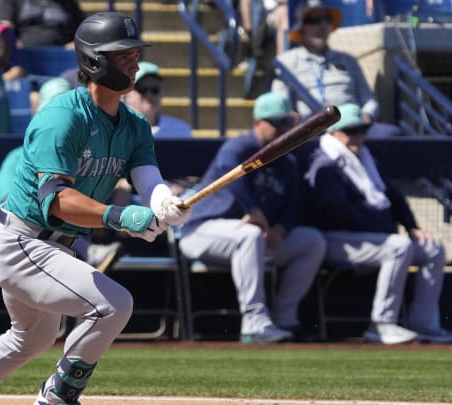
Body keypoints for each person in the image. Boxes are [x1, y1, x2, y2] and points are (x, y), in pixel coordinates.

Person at [0, 11, 191, 405]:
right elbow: (58, 200)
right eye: (123, 54)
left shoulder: (132, 124)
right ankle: (58, 398)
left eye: (134, 52)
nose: (133, 60)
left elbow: (147, 177)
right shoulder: (63, 116)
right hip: (20, 241)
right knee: (114, 305)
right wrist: (120, 217)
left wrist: (164, 203)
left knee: (29, 339)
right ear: (94, 60)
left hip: (54, 247)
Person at [178, 92, 326, 344]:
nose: (284, 129)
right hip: (201, 230)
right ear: (258, 122)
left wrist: (281, 228)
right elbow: (229, 172)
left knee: (312, 241)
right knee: (250, 234)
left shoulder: (287, 162)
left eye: (287, 123)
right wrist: (253, 210)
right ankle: (254, 320)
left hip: (255, 238)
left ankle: (286, 317)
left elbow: (293, 205)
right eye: (276, 123)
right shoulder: (240, 146)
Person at [302, 103, 452, 344]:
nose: (357, 137)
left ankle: (423, 323)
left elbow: (394, 196)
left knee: (433, 249)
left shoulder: (366, 159)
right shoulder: (325, 164)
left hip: (370, 239)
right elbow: (340, 211)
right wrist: (384, 229)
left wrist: (413, 227)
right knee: (398, 246)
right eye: (350, 131)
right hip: (334, 239)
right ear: (334, 134)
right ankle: (381, 324)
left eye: (361, 131)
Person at [270, 0, 403, 138]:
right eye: (313, 20)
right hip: (311, 130)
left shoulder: (348, 60)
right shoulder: (286, 62)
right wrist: (300, 122)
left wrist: (367, 115)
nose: (321, 25)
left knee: (391, 133)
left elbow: (368, 99)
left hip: (351, 126)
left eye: (325, 20)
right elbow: (282, 106)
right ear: (301, 28)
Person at [121, 61, 193, 139]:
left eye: (155, 89)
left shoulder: (180, 130)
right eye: (142, 89)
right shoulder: (115, 131)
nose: (149, 95)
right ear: (126, 94)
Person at [0, 0, 86, 49]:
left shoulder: (68, 3)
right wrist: (12, 40)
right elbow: (1, 27)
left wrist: (77, 44)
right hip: (23, 58)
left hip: (59, 58)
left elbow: (84, 32)